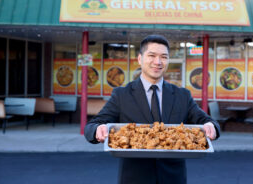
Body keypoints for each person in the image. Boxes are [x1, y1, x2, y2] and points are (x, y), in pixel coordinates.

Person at [84, 34, 220, 184]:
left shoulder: (182, 95)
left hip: (173, 178)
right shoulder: (121, 95)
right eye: (152, 55)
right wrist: (98, 129)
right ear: (140, 59)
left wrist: (210, 126)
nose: (158, 62)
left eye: (164, 56)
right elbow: (92, 126)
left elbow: (206, 121)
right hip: (135, 178)